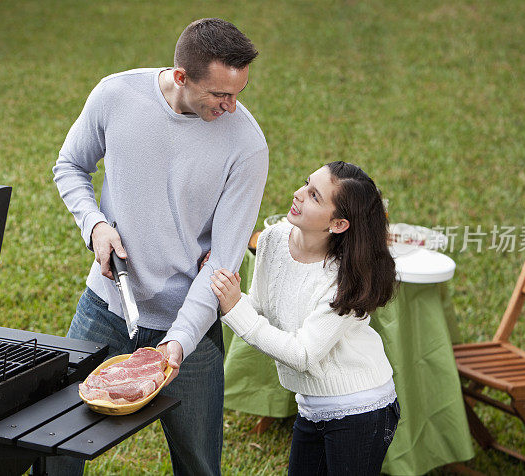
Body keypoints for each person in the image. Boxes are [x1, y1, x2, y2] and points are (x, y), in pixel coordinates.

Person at [50, 18, 268, 476]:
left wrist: (179, 342)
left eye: (238, 93)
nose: (231, 107)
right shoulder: (116, 96)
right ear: (182, 77)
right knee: (54, 443)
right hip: (106, 306)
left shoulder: (247, 146)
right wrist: (94, 226)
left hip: (190, 326)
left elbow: (223, 264)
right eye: (220, 95)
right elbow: (70, 165)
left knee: (199, 465)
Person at [211, 162, 400, 475]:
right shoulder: (271, 239)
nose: (297, 194)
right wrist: (224, 291)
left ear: (338, 224)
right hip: (311, 405)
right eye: (305, 184)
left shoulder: (345, 278)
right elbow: (258, 310)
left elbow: (303, 354)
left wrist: (233, 308)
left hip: (363, 412)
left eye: (314, 196)